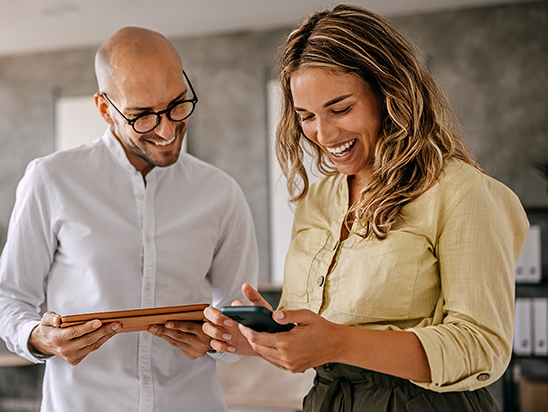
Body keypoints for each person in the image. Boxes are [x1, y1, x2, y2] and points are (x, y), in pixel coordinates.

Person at [203, 5, 529, 411]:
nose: (323, 134)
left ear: (389, 92)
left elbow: (482, 349)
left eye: (340, 109)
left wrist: (339, 342)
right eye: (306, 116)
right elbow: (315, 334)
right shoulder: (317, 199)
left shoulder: (461, 192)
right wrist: (256, 340)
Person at [0, 27, 259, 412]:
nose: (166, 129)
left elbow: (239, 316)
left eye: (177, 104)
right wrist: (38, 336)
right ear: (105, 109)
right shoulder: (52, 179)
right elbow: (10, 298)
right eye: (142, 116)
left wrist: (222, 340)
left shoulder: (222, 192)